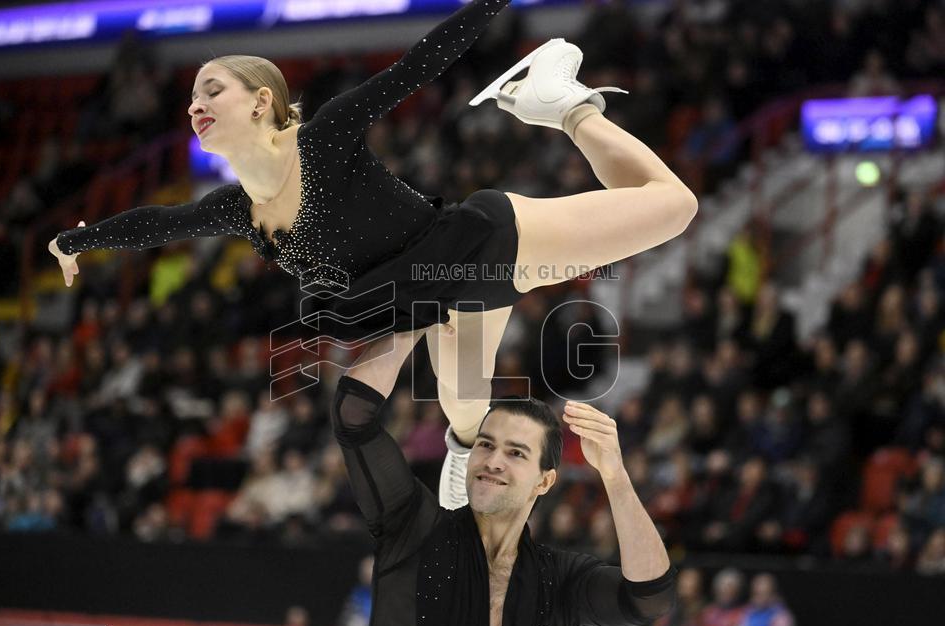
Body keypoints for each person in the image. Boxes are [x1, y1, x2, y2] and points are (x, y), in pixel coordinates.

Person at [49, 0, 697, 462]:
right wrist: (74, 242)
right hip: (441, 298)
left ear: (259, 102)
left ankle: (563, 104)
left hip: (478, 243)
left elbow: (418, 65)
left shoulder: (323, 138)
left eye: (210, 89)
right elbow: (160, 223)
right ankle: (556, 103)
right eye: (190, 96)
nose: (194, 104)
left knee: (675, 207)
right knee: (466, 414)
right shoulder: (238, 210)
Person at [329, 329, 677, 626]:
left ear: (544, 482)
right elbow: (353, 416)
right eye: (486, 445)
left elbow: (650, 597)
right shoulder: (413, 528)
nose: (493, 461)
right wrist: (413, 323)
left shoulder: (555, 580)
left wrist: (615, 477)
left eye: (516, 453)